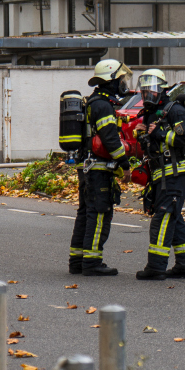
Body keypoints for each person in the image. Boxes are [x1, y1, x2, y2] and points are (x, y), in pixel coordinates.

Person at [68, 59, 131, 276]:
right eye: (122, 78)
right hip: (98, 169)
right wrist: (125, 164)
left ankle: (77, 261)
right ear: (112, 79)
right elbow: (110, 139)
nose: (124, 82)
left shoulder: (92, 101)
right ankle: (92, 262)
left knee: (85, 213)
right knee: (100, 212)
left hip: (86, 167)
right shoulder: (103, 105)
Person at [136, 79, 185, 280]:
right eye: (144, 93)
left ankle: (156, 267)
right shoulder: (152, 114)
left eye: (151, 92)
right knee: (173, 217)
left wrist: (160, 134)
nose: (147, 96)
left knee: (162, 218)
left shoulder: (175, 110)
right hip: (161, 174)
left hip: (175, 172)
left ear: (161, 91)